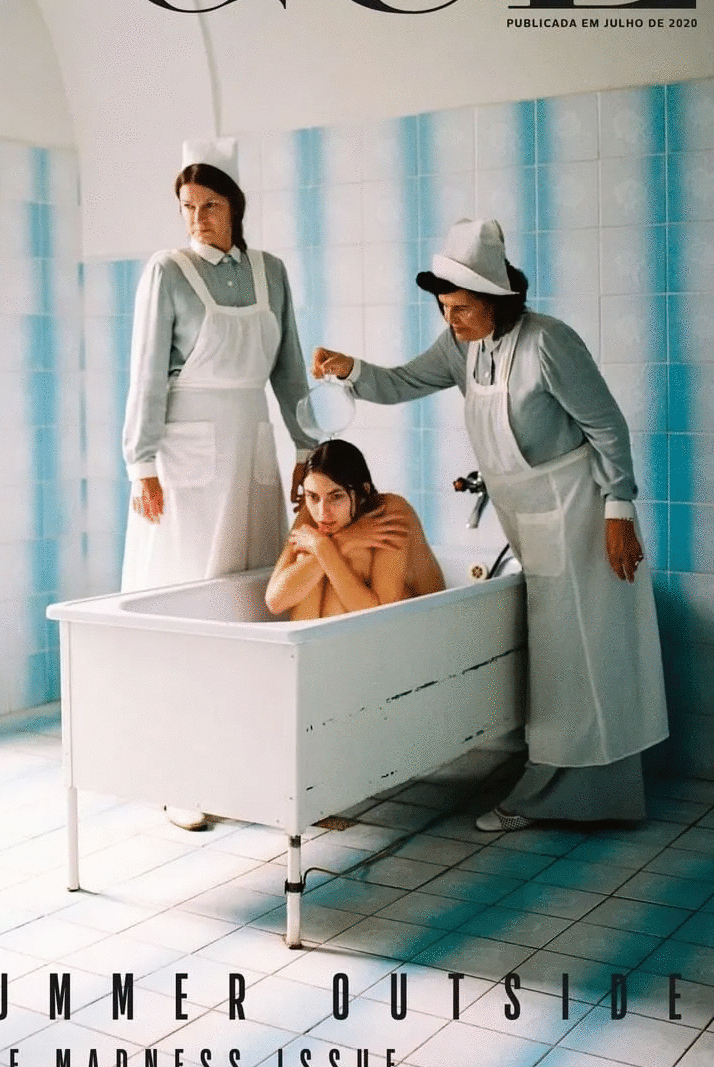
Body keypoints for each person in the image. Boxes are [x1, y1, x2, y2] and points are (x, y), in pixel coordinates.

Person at [313, 218, 668, 831]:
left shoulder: (548, 342)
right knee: (566, 654)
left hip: (577, 508)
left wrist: (619, 508)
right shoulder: (460, 348)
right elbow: (401, 382)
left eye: (461, 308)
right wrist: (351, 370)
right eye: (444, 307)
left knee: (580, 652)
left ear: (496, 300)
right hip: (527, 513)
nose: (449, 319)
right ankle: (589, 795)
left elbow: (606, 425)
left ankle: (549, 795)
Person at [122, 138, 317, 830]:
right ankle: (180, 772)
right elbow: (146, 372)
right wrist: (141, 463)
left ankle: (252, 765)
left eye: (209, 205)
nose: (197, 219)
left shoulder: (271, 272)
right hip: (185, 460)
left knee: (255, 595)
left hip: (251, 446)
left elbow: (289, 368)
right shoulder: (167, 270)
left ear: (235, 206)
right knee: (188, 599)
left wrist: (308, 446)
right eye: (187, 207)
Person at [265, 439, 444, 619]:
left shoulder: (390, 511)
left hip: (424, 620)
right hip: (350, 629)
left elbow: (383, 615)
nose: (322, 512)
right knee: (308, 557)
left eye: (336, 497)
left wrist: (328, 549)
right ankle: (315, 639)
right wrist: (338, 543)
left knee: (353, 558)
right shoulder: (313, 511)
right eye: (312, 496)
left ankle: (323, 638)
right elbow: (275, 601)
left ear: (363, 490)